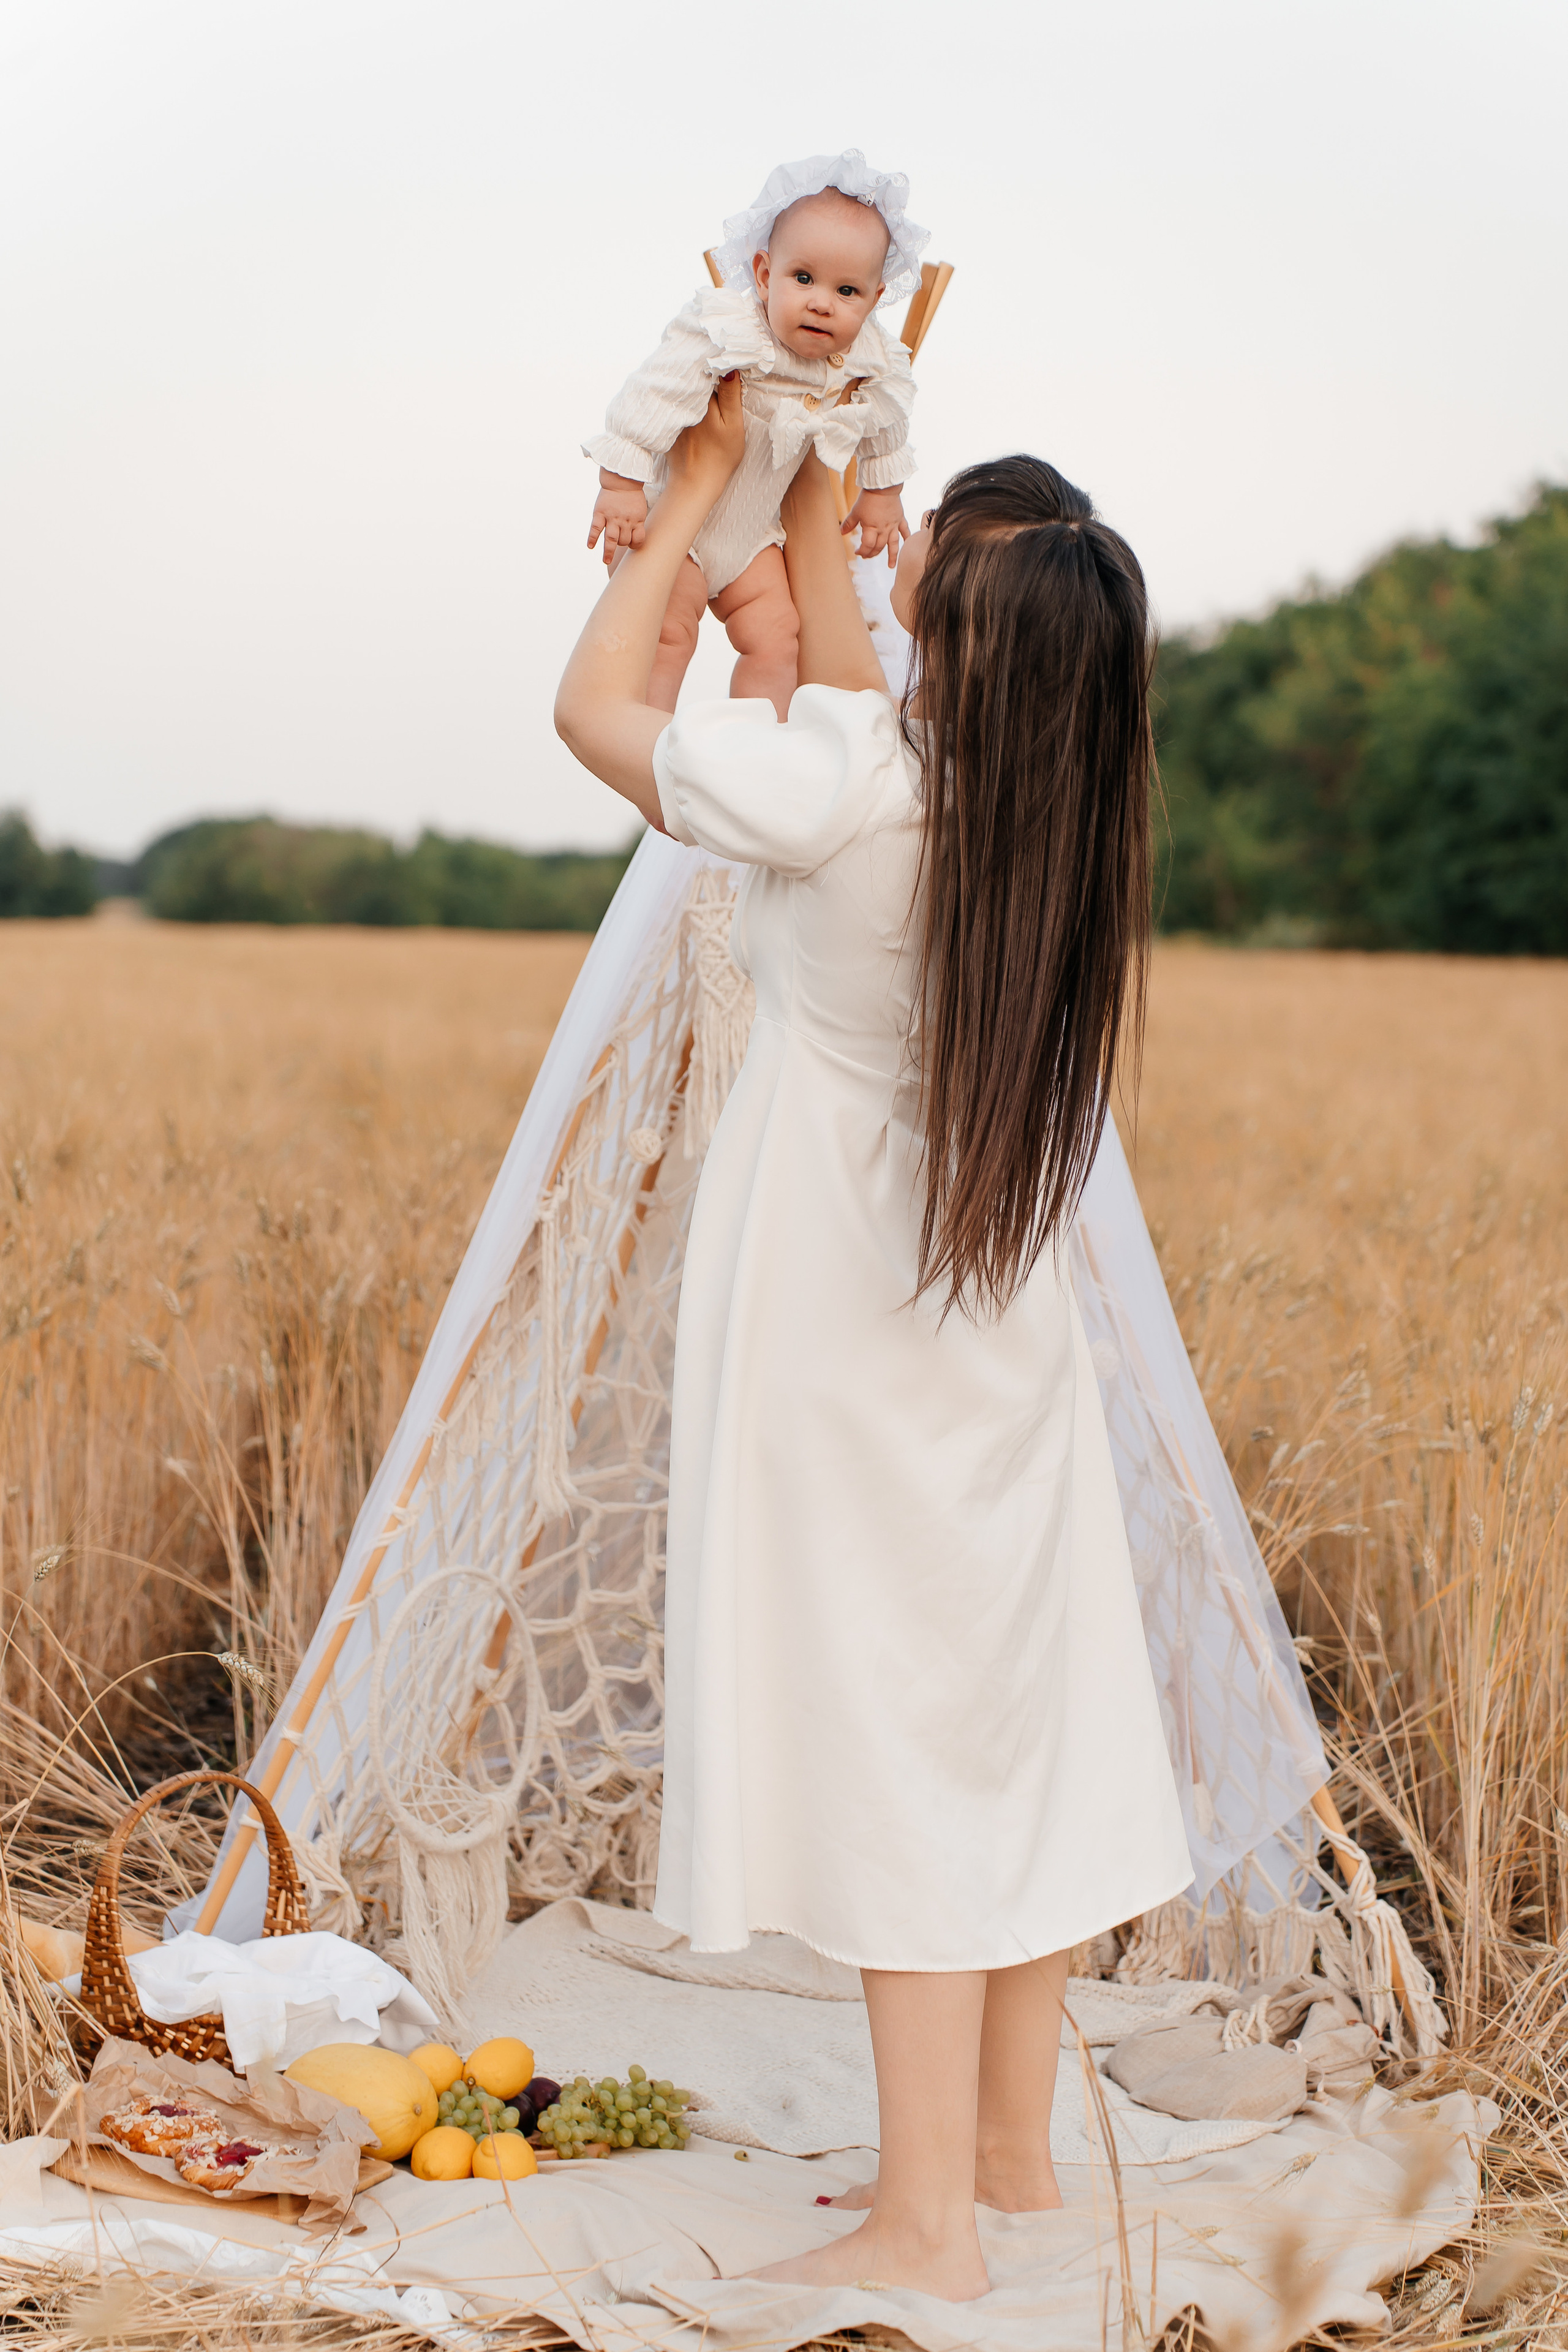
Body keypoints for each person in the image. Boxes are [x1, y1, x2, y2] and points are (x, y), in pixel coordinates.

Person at [555, 380, 1191, 2302]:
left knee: (894, 1723)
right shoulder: (1049, 808)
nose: (893, 558)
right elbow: (847, 669)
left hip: (843, 1287)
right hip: (990, 1302)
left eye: (930, 558)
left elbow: (595, 714)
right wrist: (828, 499)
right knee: (1006, 1698)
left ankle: (921, 2225)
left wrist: (677, 510)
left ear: (970, 635)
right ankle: (1005, 2148)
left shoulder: (858, 778)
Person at [584, 151, 923, 721]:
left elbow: (887, 418)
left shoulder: (867, 358)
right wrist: (620, 486)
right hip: (680, 522)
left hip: (757, 533)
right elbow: (654, 393)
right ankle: (652, 744)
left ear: (875, 298)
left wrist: (881, 494)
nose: (822, 302)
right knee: (669, 635)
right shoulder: (731, 329)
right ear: (765, 274)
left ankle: (759, 744)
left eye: (848, 292)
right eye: (804, 278)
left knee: (778, 636)